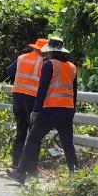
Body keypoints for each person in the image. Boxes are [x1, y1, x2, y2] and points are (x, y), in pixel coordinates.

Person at [17, 37, 79, 181]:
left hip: (50, 109)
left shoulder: (49, 64)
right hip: (67, 110)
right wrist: (72, 112)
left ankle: (20, 172)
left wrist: (36, 110)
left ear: (50, 52)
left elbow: (42, 89)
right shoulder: (72, 67)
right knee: (68, 144)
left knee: (32, 139)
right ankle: (76, 175)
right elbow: (74, 93)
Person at [4, 38, 47, 176]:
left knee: (21, 132)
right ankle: (32, 167)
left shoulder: (21, 58)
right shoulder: (43, 62)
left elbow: (9, 71)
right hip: (32, 99)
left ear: (34, 48)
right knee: (34, 134)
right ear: (43, 51)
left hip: (17, 97)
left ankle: (16, 163)